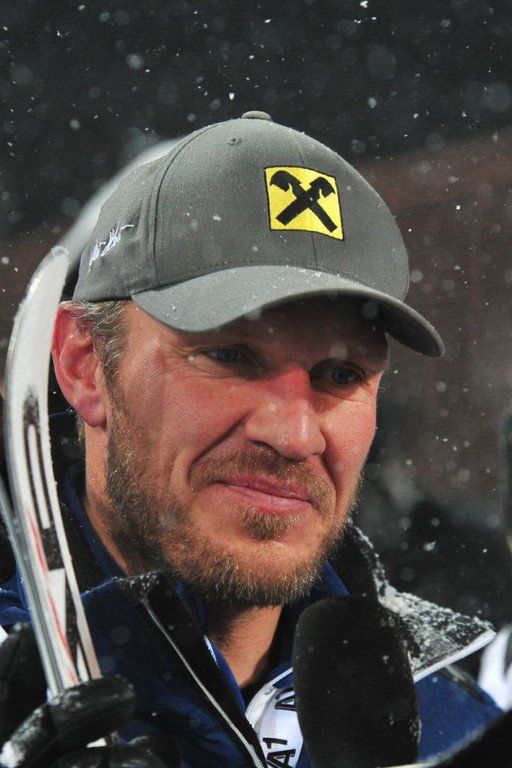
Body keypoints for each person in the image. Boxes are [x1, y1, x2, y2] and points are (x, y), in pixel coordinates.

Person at [0, 111, 502, 768]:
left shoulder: (453, 725)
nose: (294, 435)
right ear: (84, 364)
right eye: (230, 356)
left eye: (340, 374)